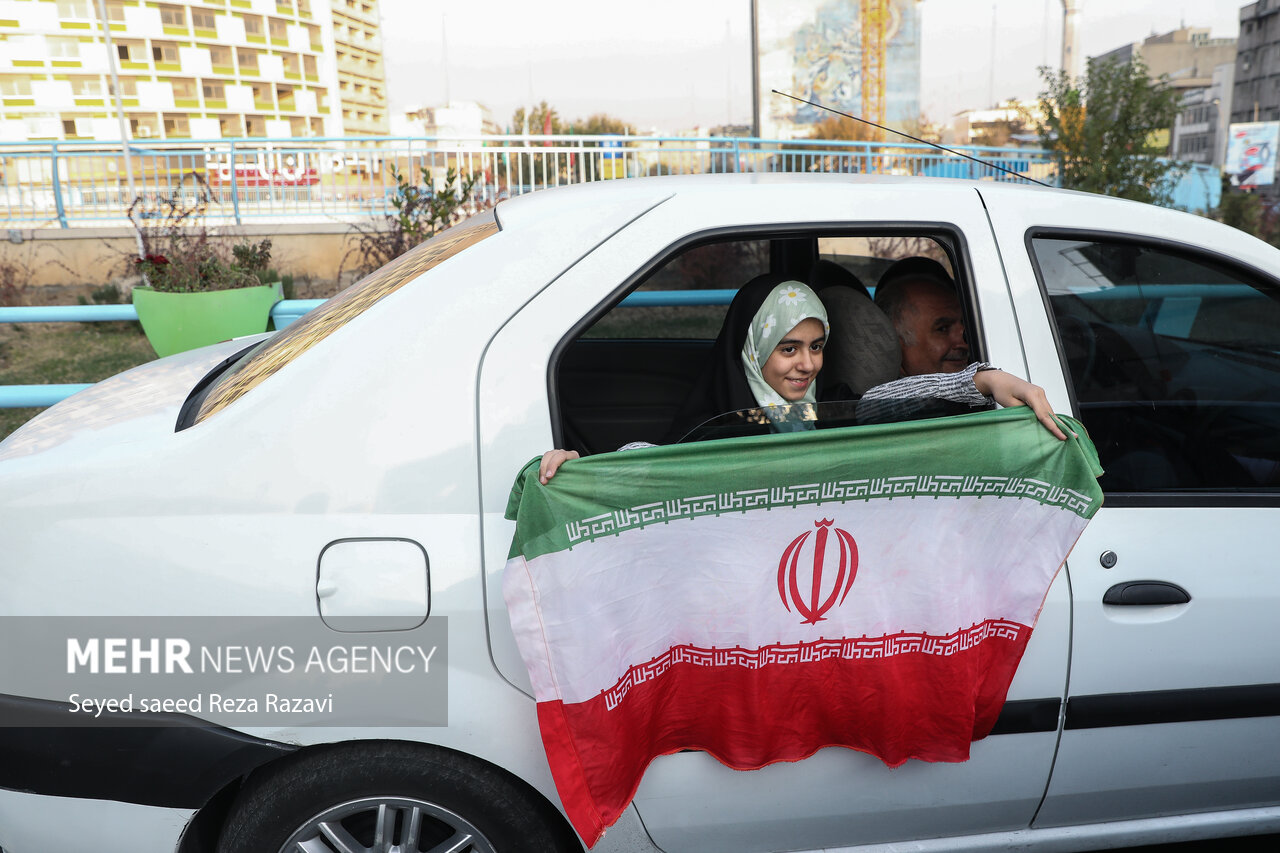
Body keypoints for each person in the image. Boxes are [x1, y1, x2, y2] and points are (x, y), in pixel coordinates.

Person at [539, 274, 1067, 483]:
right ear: (752, 351)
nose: (807, 365)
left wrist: (984, 381)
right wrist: (581, 472)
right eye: (787, 349)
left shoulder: (831, 409)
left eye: (817, 347)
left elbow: (890, 399)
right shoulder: (715, 424)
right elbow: (654, 463)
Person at [874, 257, 970, 376]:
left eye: (964, 324)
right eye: (943, 329)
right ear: (895, 347)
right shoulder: (878, 395)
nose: (965, 343)